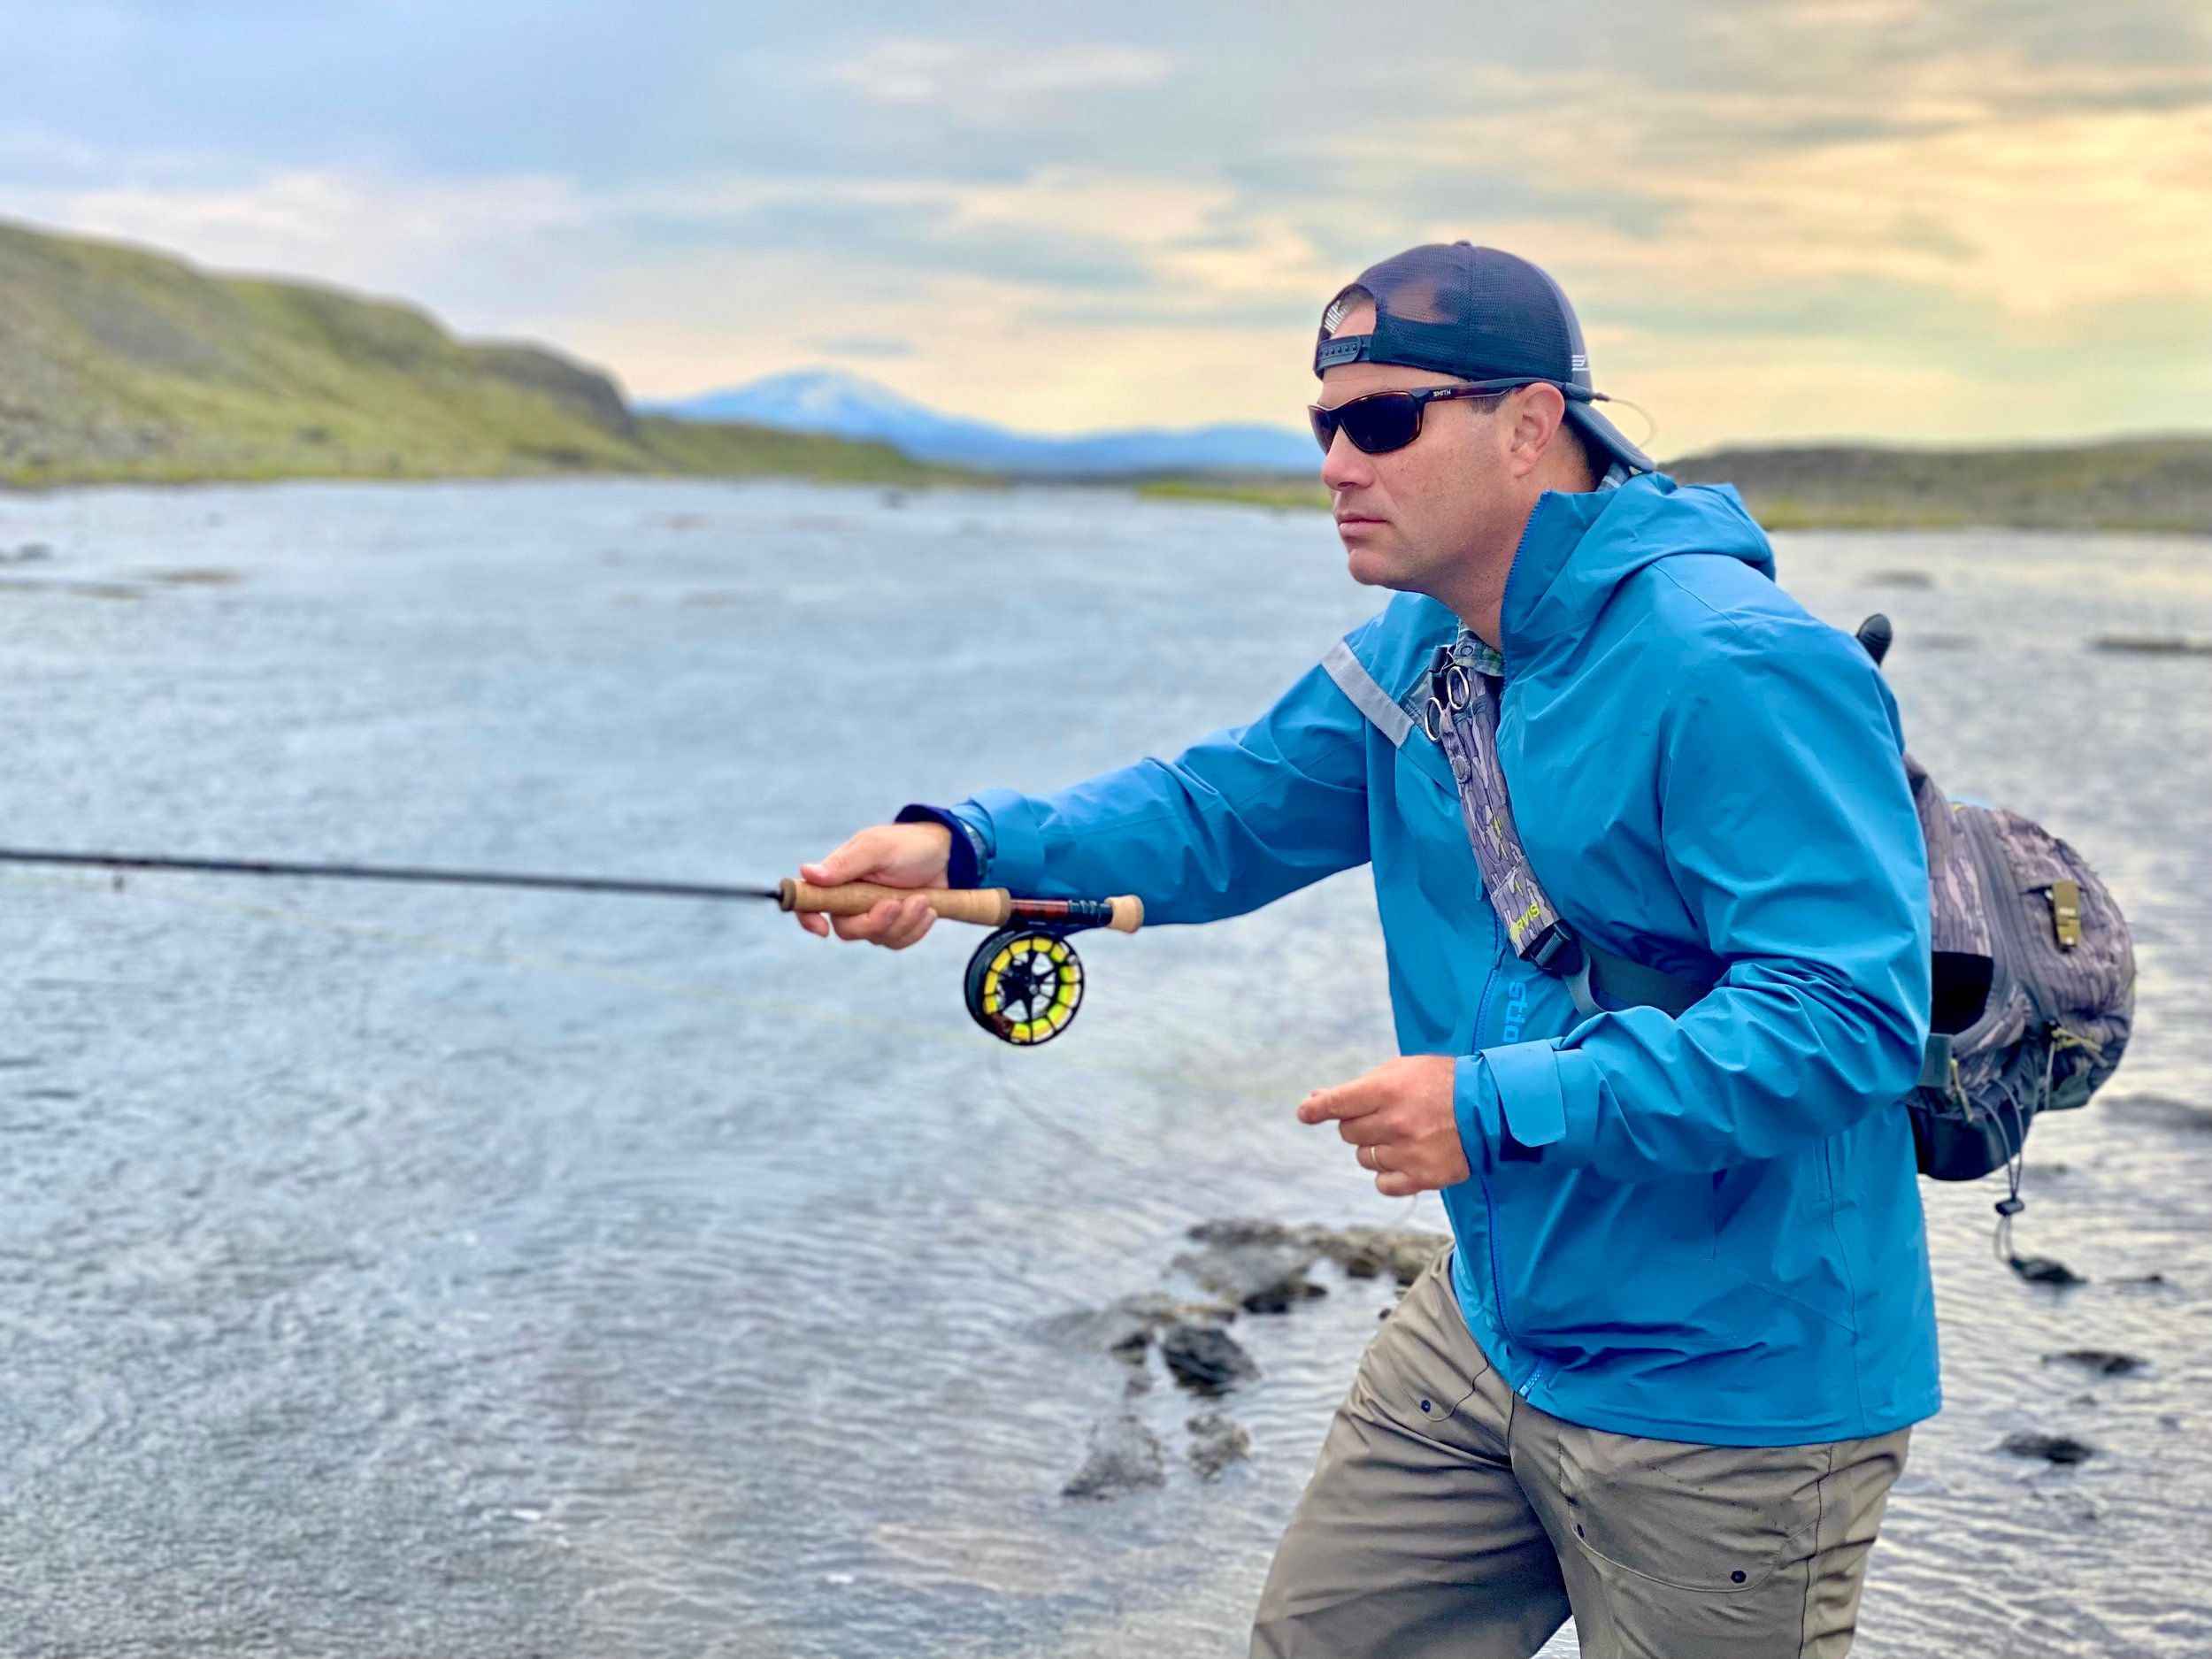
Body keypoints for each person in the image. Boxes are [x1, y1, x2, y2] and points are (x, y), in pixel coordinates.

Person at [795, 242, 1938, 1659]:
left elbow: (1846, 1021)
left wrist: (1488, 1107)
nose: (1338, 463)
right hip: (1492, 1327)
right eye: (1324, 423)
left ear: (1530, 424)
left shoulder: (1734, 663)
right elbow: (1221, 810)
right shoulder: (1423, 648)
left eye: (1384, 421)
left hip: (1732, 1395)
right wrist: (968, 847)